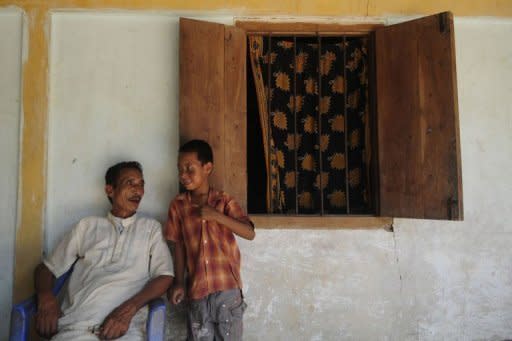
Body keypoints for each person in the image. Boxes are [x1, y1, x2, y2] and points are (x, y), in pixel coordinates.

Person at [34, 161, 174, 340]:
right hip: (76, 329)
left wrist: (128, 310)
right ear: (110, 190)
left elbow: (165, 275)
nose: (138, 190)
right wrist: (45, 299)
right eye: (130, 183)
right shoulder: (87, 227)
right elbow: (46, 269)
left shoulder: (150, 229)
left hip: (125, 331)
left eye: (141, 184)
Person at [165, 139, 255, 340]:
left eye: (189, 169)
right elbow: (178, 244)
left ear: (207, 168)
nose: (183, 175)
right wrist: (179, 281)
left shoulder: (223, 201)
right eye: (180, 169)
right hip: (197, 291)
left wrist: (217, 216)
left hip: (227, 291)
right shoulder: (178, 206)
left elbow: (249, 232)